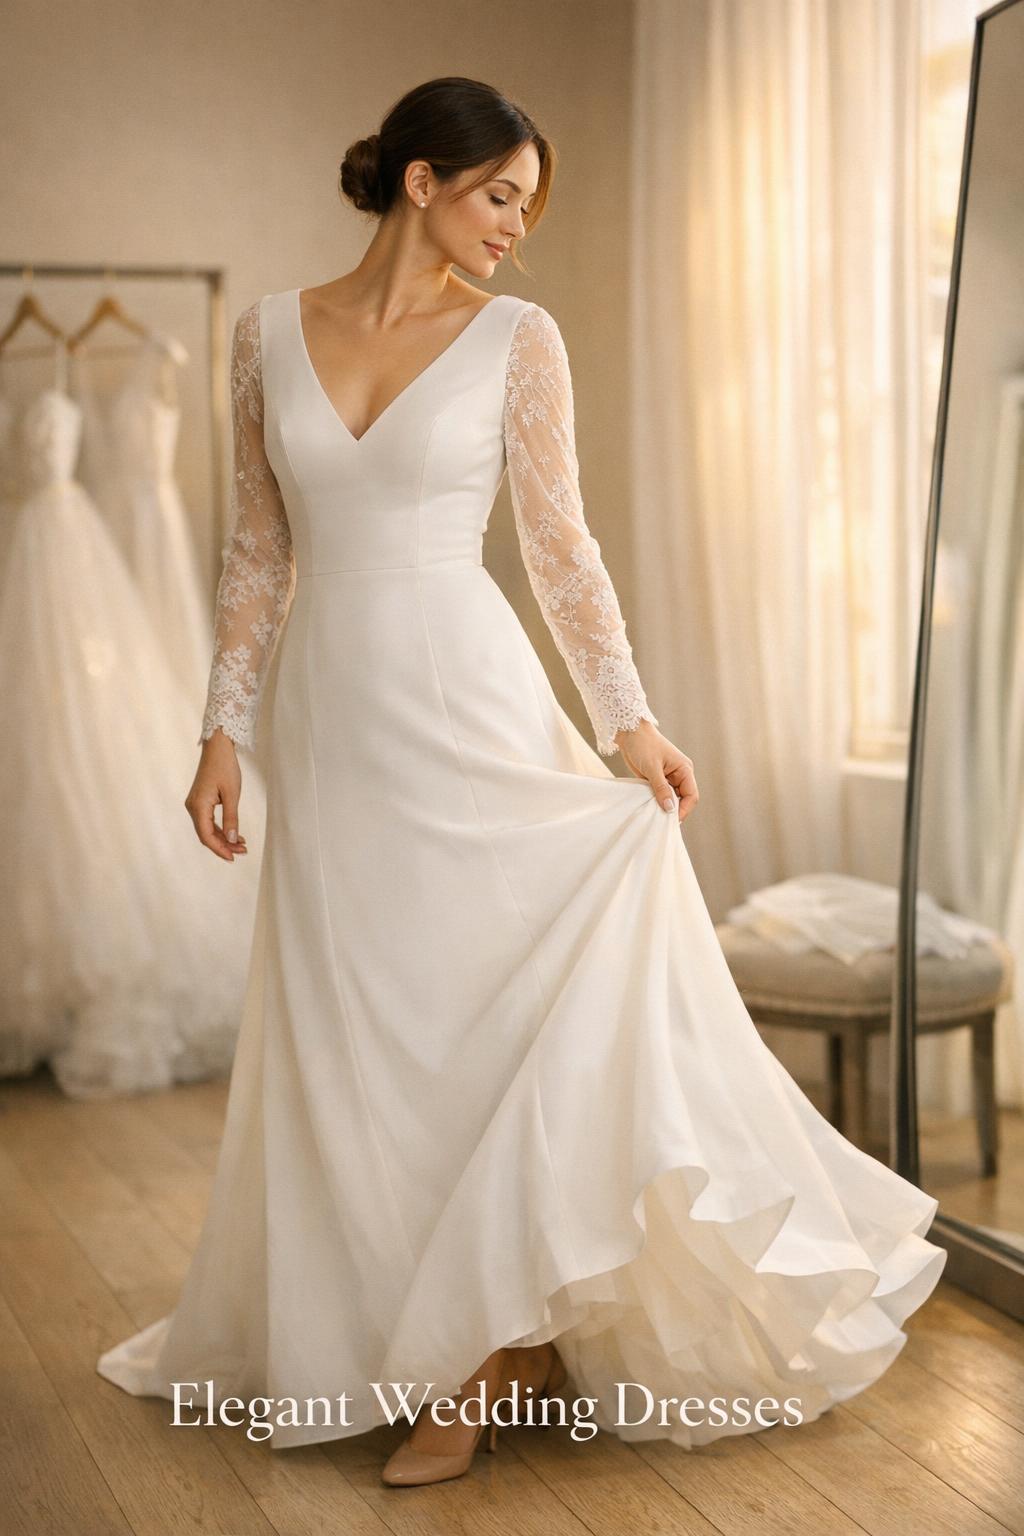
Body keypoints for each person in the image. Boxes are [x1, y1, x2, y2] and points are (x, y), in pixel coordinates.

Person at [95, 76, 946, 1488]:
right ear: (422, 181)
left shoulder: (519, 341)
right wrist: (219, 730)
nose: (516, 231)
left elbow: (562, 551)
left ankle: (495, 1346)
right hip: (336, 723)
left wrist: (629, 724)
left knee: (495, 1014)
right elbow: (259, 549)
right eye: (502, 198)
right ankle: (401, 1329)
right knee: (365, 1041)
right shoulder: (262, 336)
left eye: (529, 210)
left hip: (473, 706)